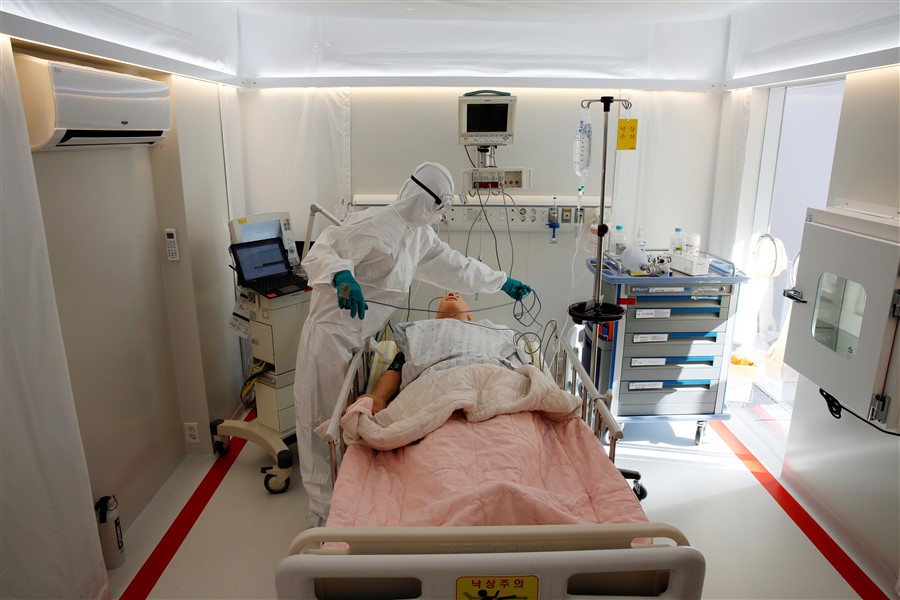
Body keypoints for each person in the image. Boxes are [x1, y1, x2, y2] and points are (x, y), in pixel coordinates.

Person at [294, 162, 532, 527]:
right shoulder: (374, 224)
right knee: (321, 425)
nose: (440, 214)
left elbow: (457, 266)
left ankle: (348, 495)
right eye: (440, 206)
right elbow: (324, 248)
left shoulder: (420, 236)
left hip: (359, 337)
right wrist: (341, 273)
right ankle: (322, 517)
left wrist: (500, 281)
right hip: (330, 335)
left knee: (342, 426)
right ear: (426, 200)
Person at [357, 291, 473, 414]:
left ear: (470, 315)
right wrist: (378, 396)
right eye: (445, 297)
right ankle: (378, 398)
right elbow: (400, 365)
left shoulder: (488, 329)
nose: (450, 294)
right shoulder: (420, 331)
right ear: (437, 318)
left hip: (471, 379)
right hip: (429, 384)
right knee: (403, 358)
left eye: (458, 297)